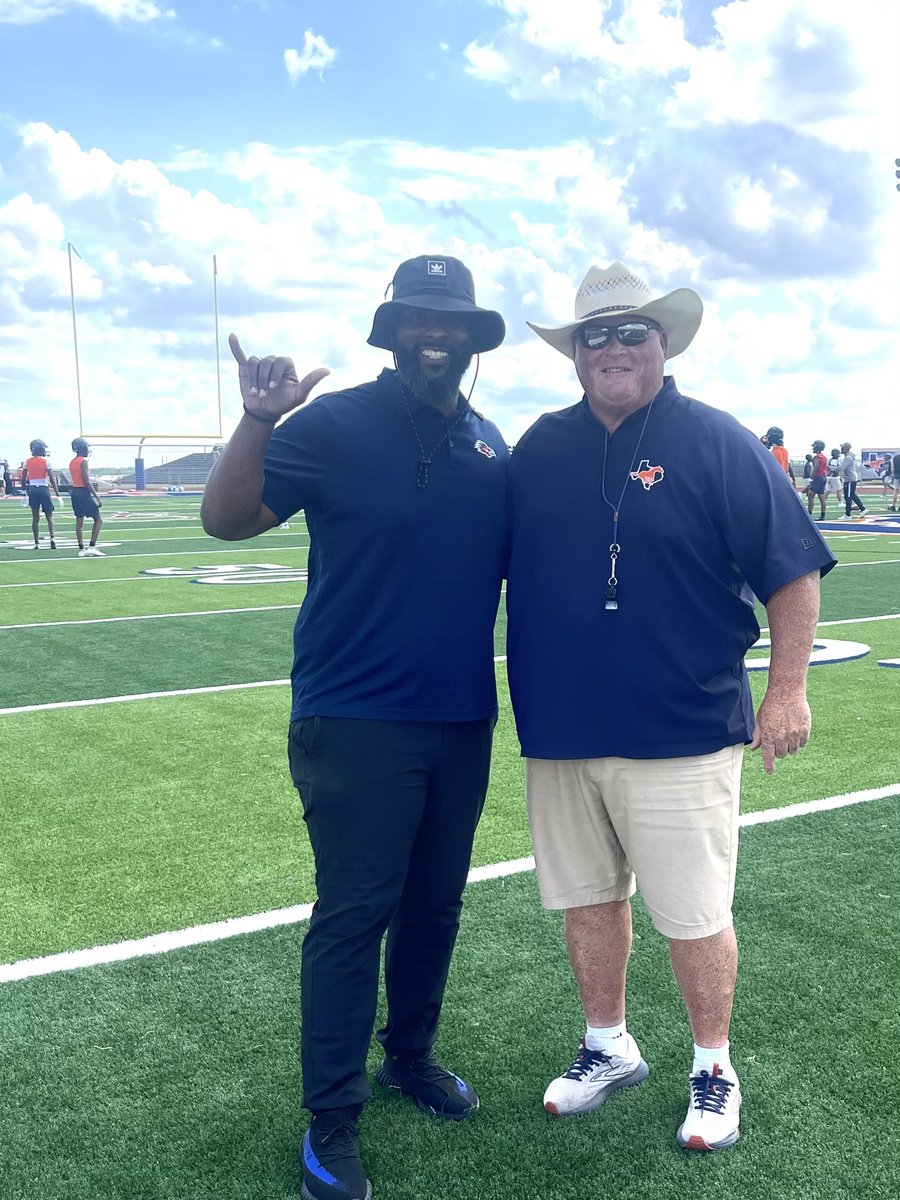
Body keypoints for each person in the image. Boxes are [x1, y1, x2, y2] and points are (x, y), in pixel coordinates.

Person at [506, 261, 835, 1154]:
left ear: (663, 343)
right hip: (562, 728)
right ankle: (607, 1046)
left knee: (693, 913)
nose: (613, 349)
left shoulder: (717, 440)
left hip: (682, 726)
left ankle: (714, 1066)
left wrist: (789, 689)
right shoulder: (539, 447)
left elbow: (793, 571)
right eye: (594, 336)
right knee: (587, 900)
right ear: (574, 354)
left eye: (630, 332)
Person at [201, 255, 508, 1200]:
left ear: (471, 338)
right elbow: (226, 519)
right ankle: (331, 1119)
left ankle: (408, 1058)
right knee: (352, 917)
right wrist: (259, 420)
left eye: (451, 320)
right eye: (419, 317)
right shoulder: (331, 425)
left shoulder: (489, 442)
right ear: (392, 328)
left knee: (436, 908)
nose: (436, 332)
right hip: (354, 719)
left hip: (460, 718)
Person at [22, 439, 61, 549]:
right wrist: (58, 494)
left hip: (33, 489)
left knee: (35, 517)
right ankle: (52, 538)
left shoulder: (27, 462)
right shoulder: (46, 462)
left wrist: (25, 492)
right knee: (49, 516)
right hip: (44, 489)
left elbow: (23, 479)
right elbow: (52, 479)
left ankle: (36, 542)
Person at [69, 437, 105, 556]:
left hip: (74, 492)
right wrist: (96, 496)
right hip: (83, 492)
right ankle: (92, 546)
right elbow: (86, 480)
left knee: (79, 521)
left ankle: (81, 549)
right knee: (98, 520)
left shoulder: (72, 462)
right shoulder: (83, 462)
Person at [838, 442, 866, 520]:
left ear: (846, 448)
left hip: (850, 479)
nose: (841, 449)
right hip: (850, 478)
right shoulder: (849, 456)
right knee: (852, 495)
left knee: (848, 496)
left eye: (842, 447)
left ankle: (847, 514)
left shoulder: (848, 457)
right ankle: (863, 509)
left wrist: (831, 468)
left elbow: (842, 467)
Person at [807, 440, 828, 520]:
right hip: (823, 477)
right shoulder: (824, 457)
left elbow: (815, 467)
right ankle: (823, 515)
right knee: (821, 497)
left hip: (818, 478)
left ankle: (809, 514)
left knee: (810, 496)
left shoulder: (817, 457)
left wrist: (812, 477)